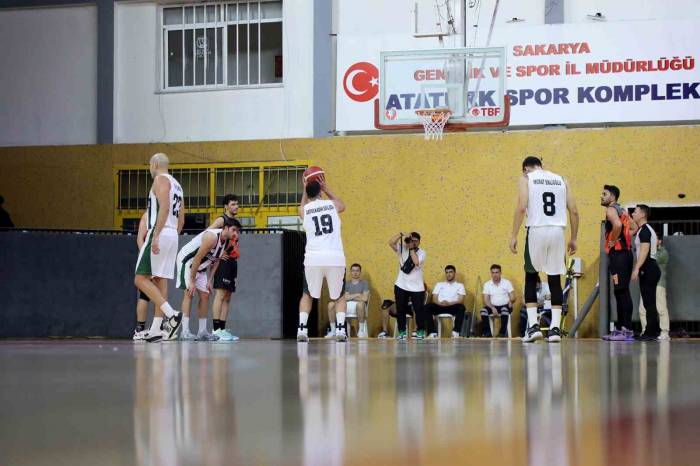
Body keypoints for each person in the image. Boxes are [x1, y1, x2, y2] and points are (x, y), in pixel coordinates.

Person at [510, 156, 579, 343]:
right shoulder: (562, 179)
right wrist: (573, 238)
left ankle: (533, 327)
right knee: (555, 279)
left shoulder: (526, 179)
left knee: (531, 277)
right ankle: (555, 329)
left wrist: (514, 234)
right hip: (558, 231)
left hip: (536, 230)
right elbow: (573, 210)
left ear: (525, 168)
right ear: (541, 166)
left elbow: (522, 207)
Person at [134, 153, 185, 343]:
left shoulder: (160, 180)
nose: (149, 168)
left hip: (160, 232)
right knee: (160, 280)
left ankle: (171, 314)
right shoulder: (177, 185)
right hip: (172, 234)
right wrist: (173, 235)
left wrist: (155, 236)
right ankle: (156, 329)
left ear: (154, 164)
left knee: (140, 279)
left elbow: (163, 208)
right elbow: (181, 217)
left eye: (149, 165)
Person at [297, 175, 348, 342]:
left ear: (307, 192)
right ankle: (340, 330)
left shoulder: (305, 210)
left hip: (313, 258)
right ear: (320, 191)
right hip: (335, 257)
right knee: (339, 296)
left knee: (307, 294)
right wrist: (327, 189)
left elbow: (301, 208)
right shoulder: (331, 205)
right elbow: (342, 206)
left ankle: (302, 329)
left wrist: (305, 190)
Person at [176, 216, 240, 341]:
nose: (235, 234)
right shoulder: (211, 237)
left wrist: (210, 280)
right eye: (233, 230)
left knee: (205, 295)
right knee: (189, 293)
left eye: (237, 231)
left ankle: (202, 332)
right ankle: (185, 332)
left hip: (201, 267)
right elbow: (197, 258)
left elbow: (216, 261)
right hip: (187, 262)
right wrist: (192, 280)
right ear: (225, 228)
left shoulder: (227, 242)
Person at [600, 185, 635, 341]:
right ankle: (623, 329)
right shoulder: (623, 211)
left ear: (612, 197)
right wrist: (624, 238)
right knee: (622, 291)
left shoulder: (611, 210)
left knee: (621, 292)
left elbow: (618, 225)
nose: (601, 196)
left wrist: (613, 241)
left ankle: (625, 330)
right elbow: (633, 227)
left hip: (619, 256)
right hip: (626, 254)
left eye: (604, 194)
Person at [208, 194, 241, 341]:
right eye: (233, 204)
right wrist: (217, 254)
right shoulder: (222, 220)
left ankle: (222, 329)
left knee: (228, 297)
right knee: (220, 295)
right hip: (222, 262)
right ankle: (215, 330)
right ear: (226, 206)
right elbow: (207, 234)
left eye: (237, 204)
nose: (236, 206)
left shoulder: (235, 222)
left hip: (232, 262)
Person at [388, 232, 427, 340]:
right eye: (411, 240)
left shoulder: (422, 252)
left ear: (419, 242)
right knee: (400, 308)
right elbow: (390, 243)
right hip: (401, 284)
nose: (413, 242)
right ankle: (402, 332)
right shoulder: (402, 249)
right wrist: (400, 234)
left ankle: (420, 331)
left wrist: (411, 248)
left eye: (415, 241)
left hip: (417, 287)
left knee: (418, 309)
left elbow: (416, 262)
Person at [631, 205, 662, 341]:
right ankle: (651, 331)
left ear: (642, 215)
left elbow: (644, 250)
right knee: (648, 302)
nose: (633, 213)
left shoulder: (645, 230)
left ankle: (651, 333)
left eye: (635, 212)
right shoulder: (643, 230)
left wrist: (636, 268)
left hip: (648, 268)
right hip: (650, 268)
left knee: (649, 303)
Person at [327, 263, 370, 338]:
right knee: (331, 304)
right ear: (350, 272)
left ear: (360, 272)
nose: (355, 273)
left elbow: (365, 298)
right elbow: (345, 298)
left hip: (359, 307)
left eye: (357, 271)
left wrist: (350, 296)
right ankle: (333, 330)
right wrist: (357, 294)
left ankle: (361, 330)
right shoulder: (346, 284)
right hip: (345, 306)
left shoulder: (364, 283)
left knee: (360, 304)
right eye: (353, 271)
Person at [639, 238, 670, 340]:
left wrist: (644, 251)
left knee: (661, 308)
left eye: (654, 239)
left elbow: (649, 260)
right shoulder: (648, 251)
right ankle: (645, 330)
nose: (651, 240)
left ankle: (665, 332)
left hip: (659, 285)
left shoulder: (663, 253)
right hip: (647, 283)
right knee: (642, 309)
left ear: (660, 241)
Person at [426, 265, 466, 338]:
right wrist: (440, 303)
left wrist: (449, 303)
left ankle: (456, 332)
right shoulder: (439, 284)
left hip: (452, 307)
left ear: (454, 273)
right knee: (427, 307)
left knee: (461, 307)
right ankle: (432, 332)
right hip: (440, 306)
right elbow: (434, 298)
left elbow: (461, 300)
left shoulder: (460, 285)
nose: (448, 274)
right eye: (447, 272)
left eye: (451, 272)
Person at [480, 265, 516, 337]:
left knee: (504, 310)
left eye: (496, 272)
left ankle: (502, 333)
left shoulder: (506, 282)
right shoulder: (487, 284)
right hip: (493, 306)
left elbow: (513, 297)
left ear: (500, 273)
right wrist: (492, 308)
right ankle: (487, 333)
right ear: (491, 273)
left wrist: (511, 301)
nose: (494, 274)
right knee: (483, 311)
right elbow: (486, 300)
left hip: (506, 305)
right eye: (493, 272)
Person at [133, 212, 152, 340]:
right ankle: (140, 329)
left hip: (161, 257)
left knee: (160, 292)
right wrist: (144, 256)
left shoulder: (166, 215)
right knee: (144, 294)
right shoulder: (147, 215)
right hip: (148, 257)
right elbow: (140, 238)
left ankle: (158, 327)